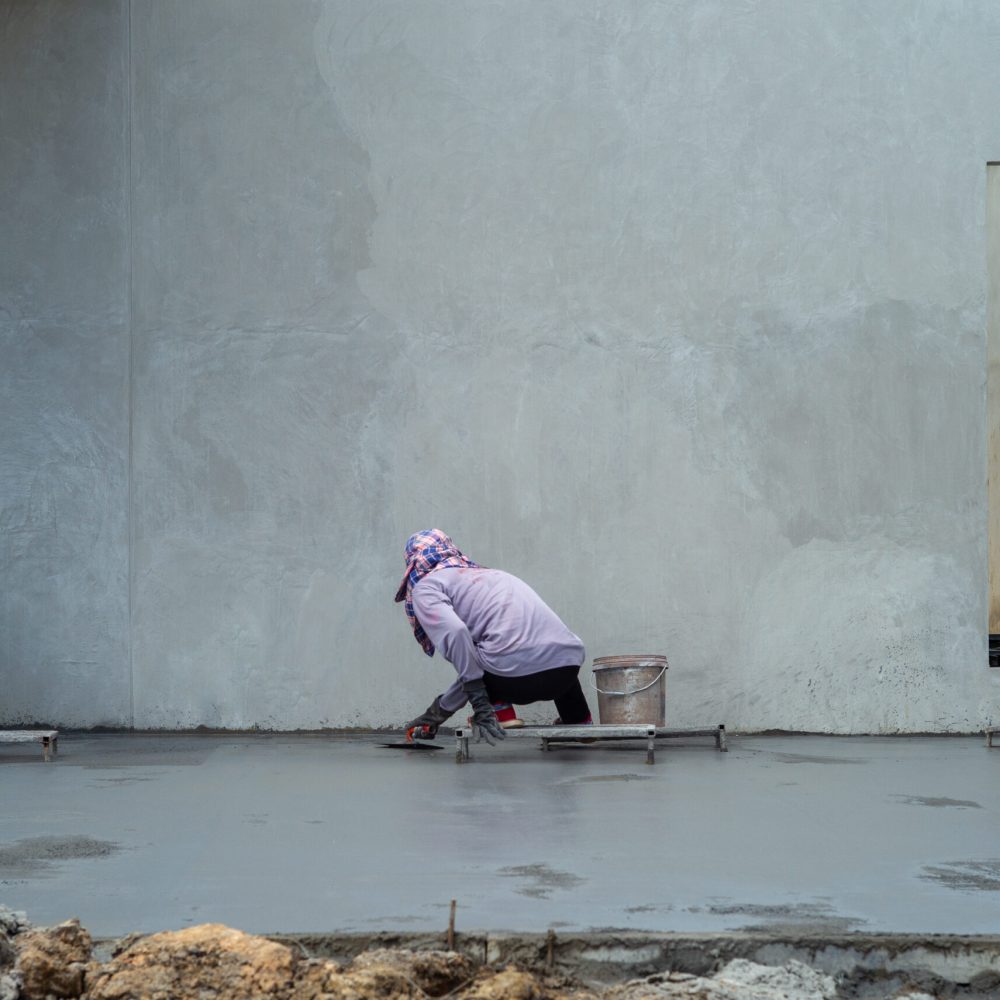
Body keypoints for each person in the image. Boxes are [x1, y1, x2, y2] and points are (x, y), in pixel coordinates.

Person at [396, 529, 592, 744]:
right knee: (552, 645)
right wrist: (438, 712)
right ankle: (579, 720)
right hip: (566, 672)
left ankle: (501, 712)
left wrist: (450, 709)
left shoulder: (427, 586)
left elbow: (456, 633)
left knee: (479, 650)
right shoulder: (494, 574)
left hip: (514, 680)